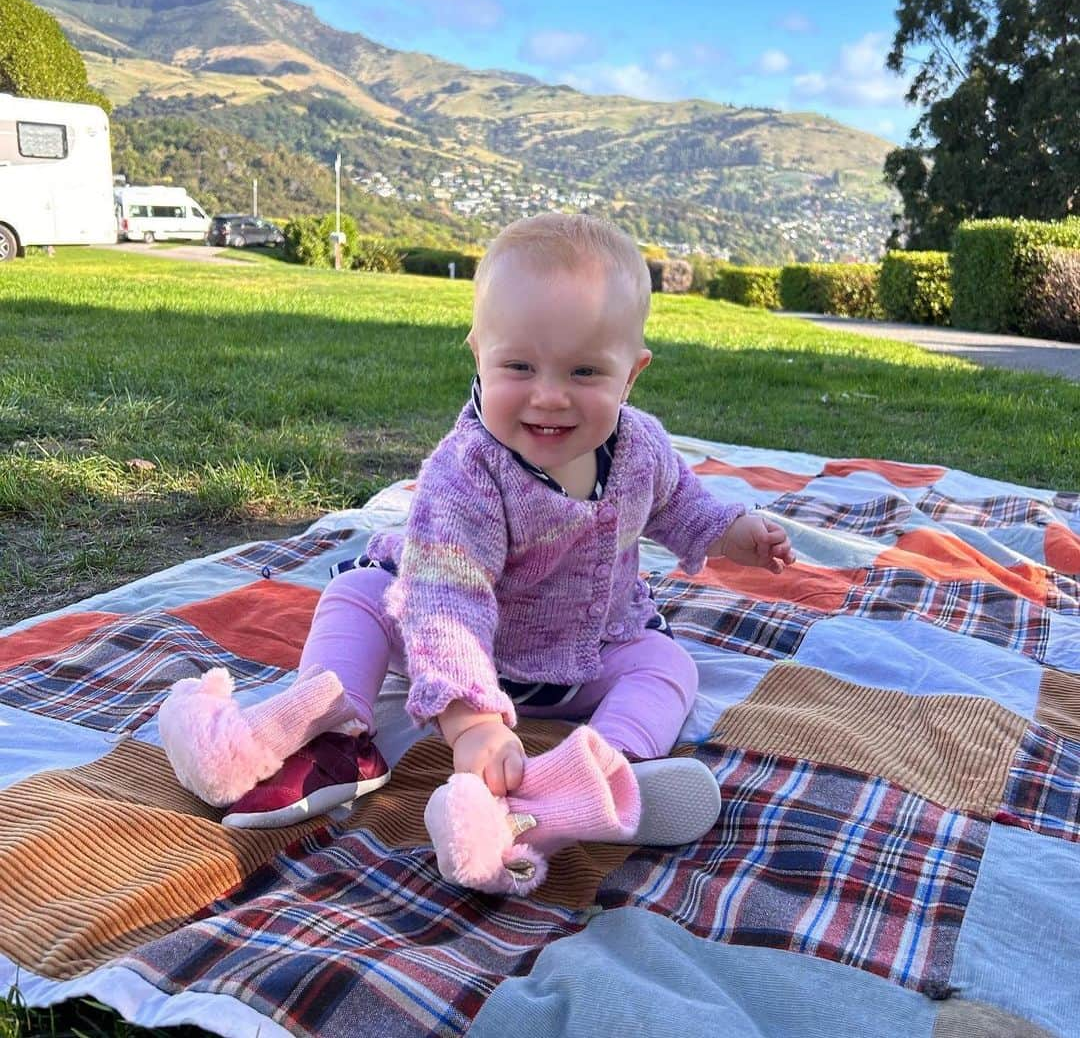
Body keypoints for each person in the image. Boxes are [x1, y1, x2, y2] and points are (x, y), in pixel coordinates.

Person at [158, 213, 794, 878]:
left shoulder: (643, 448)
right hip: (458, 652)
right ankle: (335, 734)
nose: (550, 397)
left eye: (584, 372)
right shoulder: (467, 475)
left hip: (588, 651)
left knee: (667, 665)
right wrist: (471, 722)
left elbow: (679, 503)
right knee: (363, 595)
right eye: (519, 366)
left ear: (631, 376)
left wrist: (733, 531)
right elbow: (443, 603)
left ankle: (601, 774)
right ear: (479, 355)